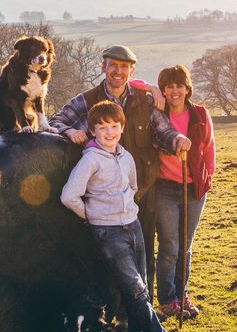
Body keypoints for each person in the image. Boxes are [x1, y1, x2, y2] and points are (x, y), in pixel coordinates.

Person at [60, 100, 195, 332]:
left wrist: (127, 209)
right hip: (108, 233)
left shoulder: (126, 157)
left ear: (122, 127)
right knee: (137, 291)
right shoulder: (90, 160)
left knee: (139, 292)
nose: (109, 132)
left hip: (132, 226)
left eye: (114, 126)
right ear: (93, 130)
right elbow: (68, 196)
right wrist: (92, 215)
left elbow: (132, 186)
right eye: (102, 127)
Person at [50, 45, 191, 300]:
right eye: (113, 65)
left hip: (143, 190)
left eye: (124, 67)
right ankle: (111, 308)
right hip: (102, 196)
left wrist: (178, 140)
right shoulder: (86, 99)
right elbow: (54, 122)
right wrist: (70, 132)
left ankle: (141, 307)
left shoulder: (146, 100)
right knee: (104, 252)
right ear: (103, 67)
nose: (118, 71)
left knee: (145, 249)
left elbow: (164, 131)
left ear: (131, 70)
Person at [152, 65, 215, 320]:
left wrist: (206, 177)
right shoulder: (157, 114)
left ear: (187, 89)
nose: (174, 91)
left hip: (194, 189)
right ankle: (167, 301)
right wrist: (149, 88)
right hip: (165, 188)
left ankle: (182, 295)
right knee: (170, 246)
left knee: (185, 247)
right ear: (163, 90)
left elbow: (209, 148)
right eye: (169, 86)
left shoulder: (200, 114)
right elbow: (133, 84)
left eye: (179, 85)